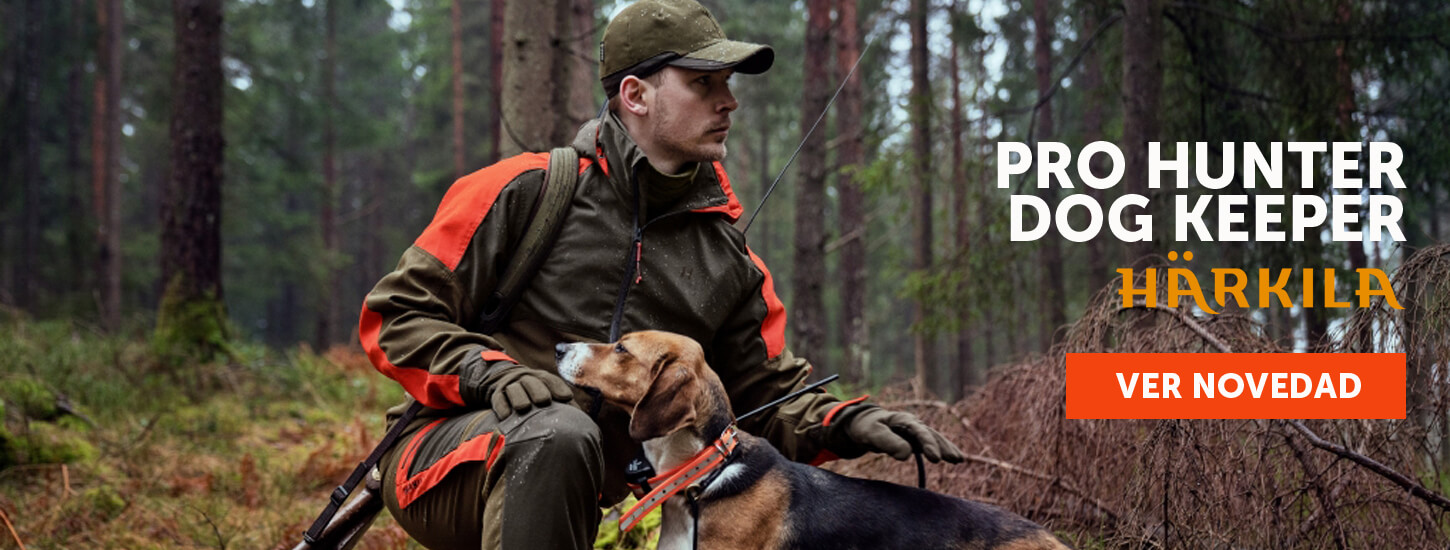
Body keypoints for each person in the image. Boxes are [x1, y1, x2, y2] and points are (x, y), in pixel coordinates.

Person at [358, 0, 965, 548]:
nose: (728, 101)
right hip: (442, 460)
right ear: (636, 94)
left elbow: (763, 399)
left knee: (564, 443)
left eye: (727, 84)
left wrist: (849, 419)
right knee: (559, 434)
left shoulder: (727, 258)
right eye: (703, 83)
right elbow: (395, 315)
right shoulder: (527, 190)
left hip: (572, 493)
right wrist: (486, 373)